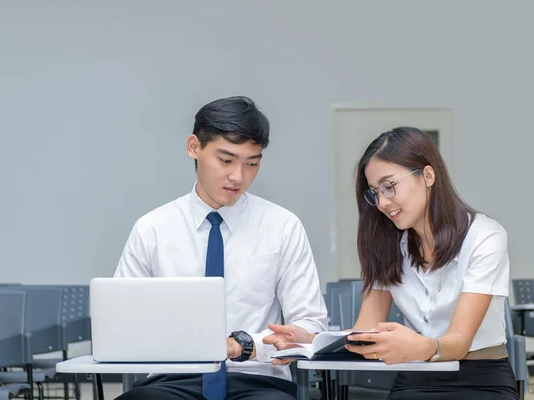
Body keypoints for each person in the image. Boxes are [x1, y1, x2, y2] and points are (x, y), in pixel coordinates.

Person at [265, 127, 519, 399]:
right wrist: (310, 343)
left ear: (428, 176)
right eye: (375, 192)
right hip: (415, 377)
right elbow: (363, 332)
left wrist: (416, 345)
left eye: (390, 186)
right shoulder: (390, 246)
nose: (383, 203)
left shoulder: (485, 236)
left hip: (481, 379)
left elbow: (458, 343)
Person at [113, 95, 327, 400]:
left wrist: (247, 345)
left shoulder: (282, 226)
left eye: (251, 163)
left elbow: (310, 325)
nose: (238, 177)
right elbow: (122, 322)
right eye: (226, 160)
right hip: (172, 380)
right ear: (194, 148)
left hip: (258, 380)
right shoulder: (152, 229)